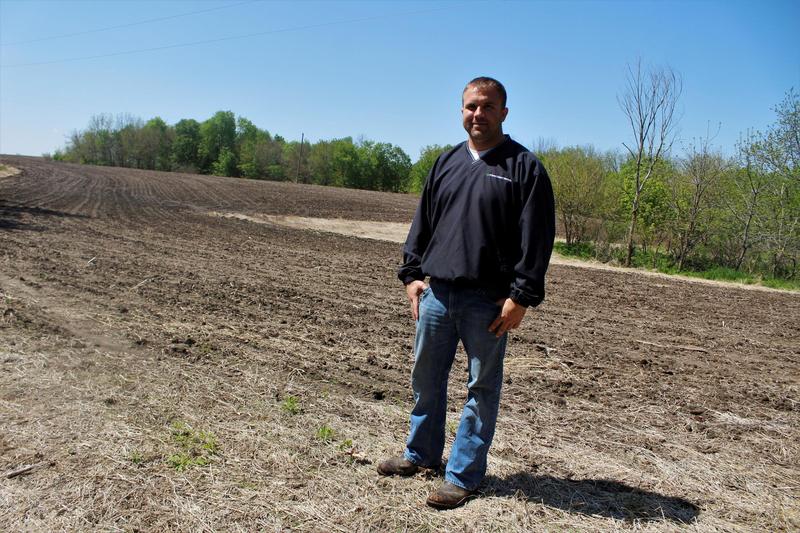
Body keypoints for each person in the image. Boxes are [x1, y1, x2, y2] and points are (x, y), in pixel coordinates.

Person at [377, 77, 556, 509]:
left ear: (504, 113)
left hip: (488, 303)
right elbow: (423, 223)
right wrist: (411, 274)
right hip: (437, 295)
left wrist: (522, 297)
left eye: (488, 106)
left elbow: (538, 239)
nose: (478, 114)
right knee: (426, 379)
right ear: (462, 111)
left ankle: (463, 475)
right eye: (471, 106)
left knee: (481, 388)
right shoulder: (446, 163)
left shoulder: (524, 168)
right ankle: (420, 455)